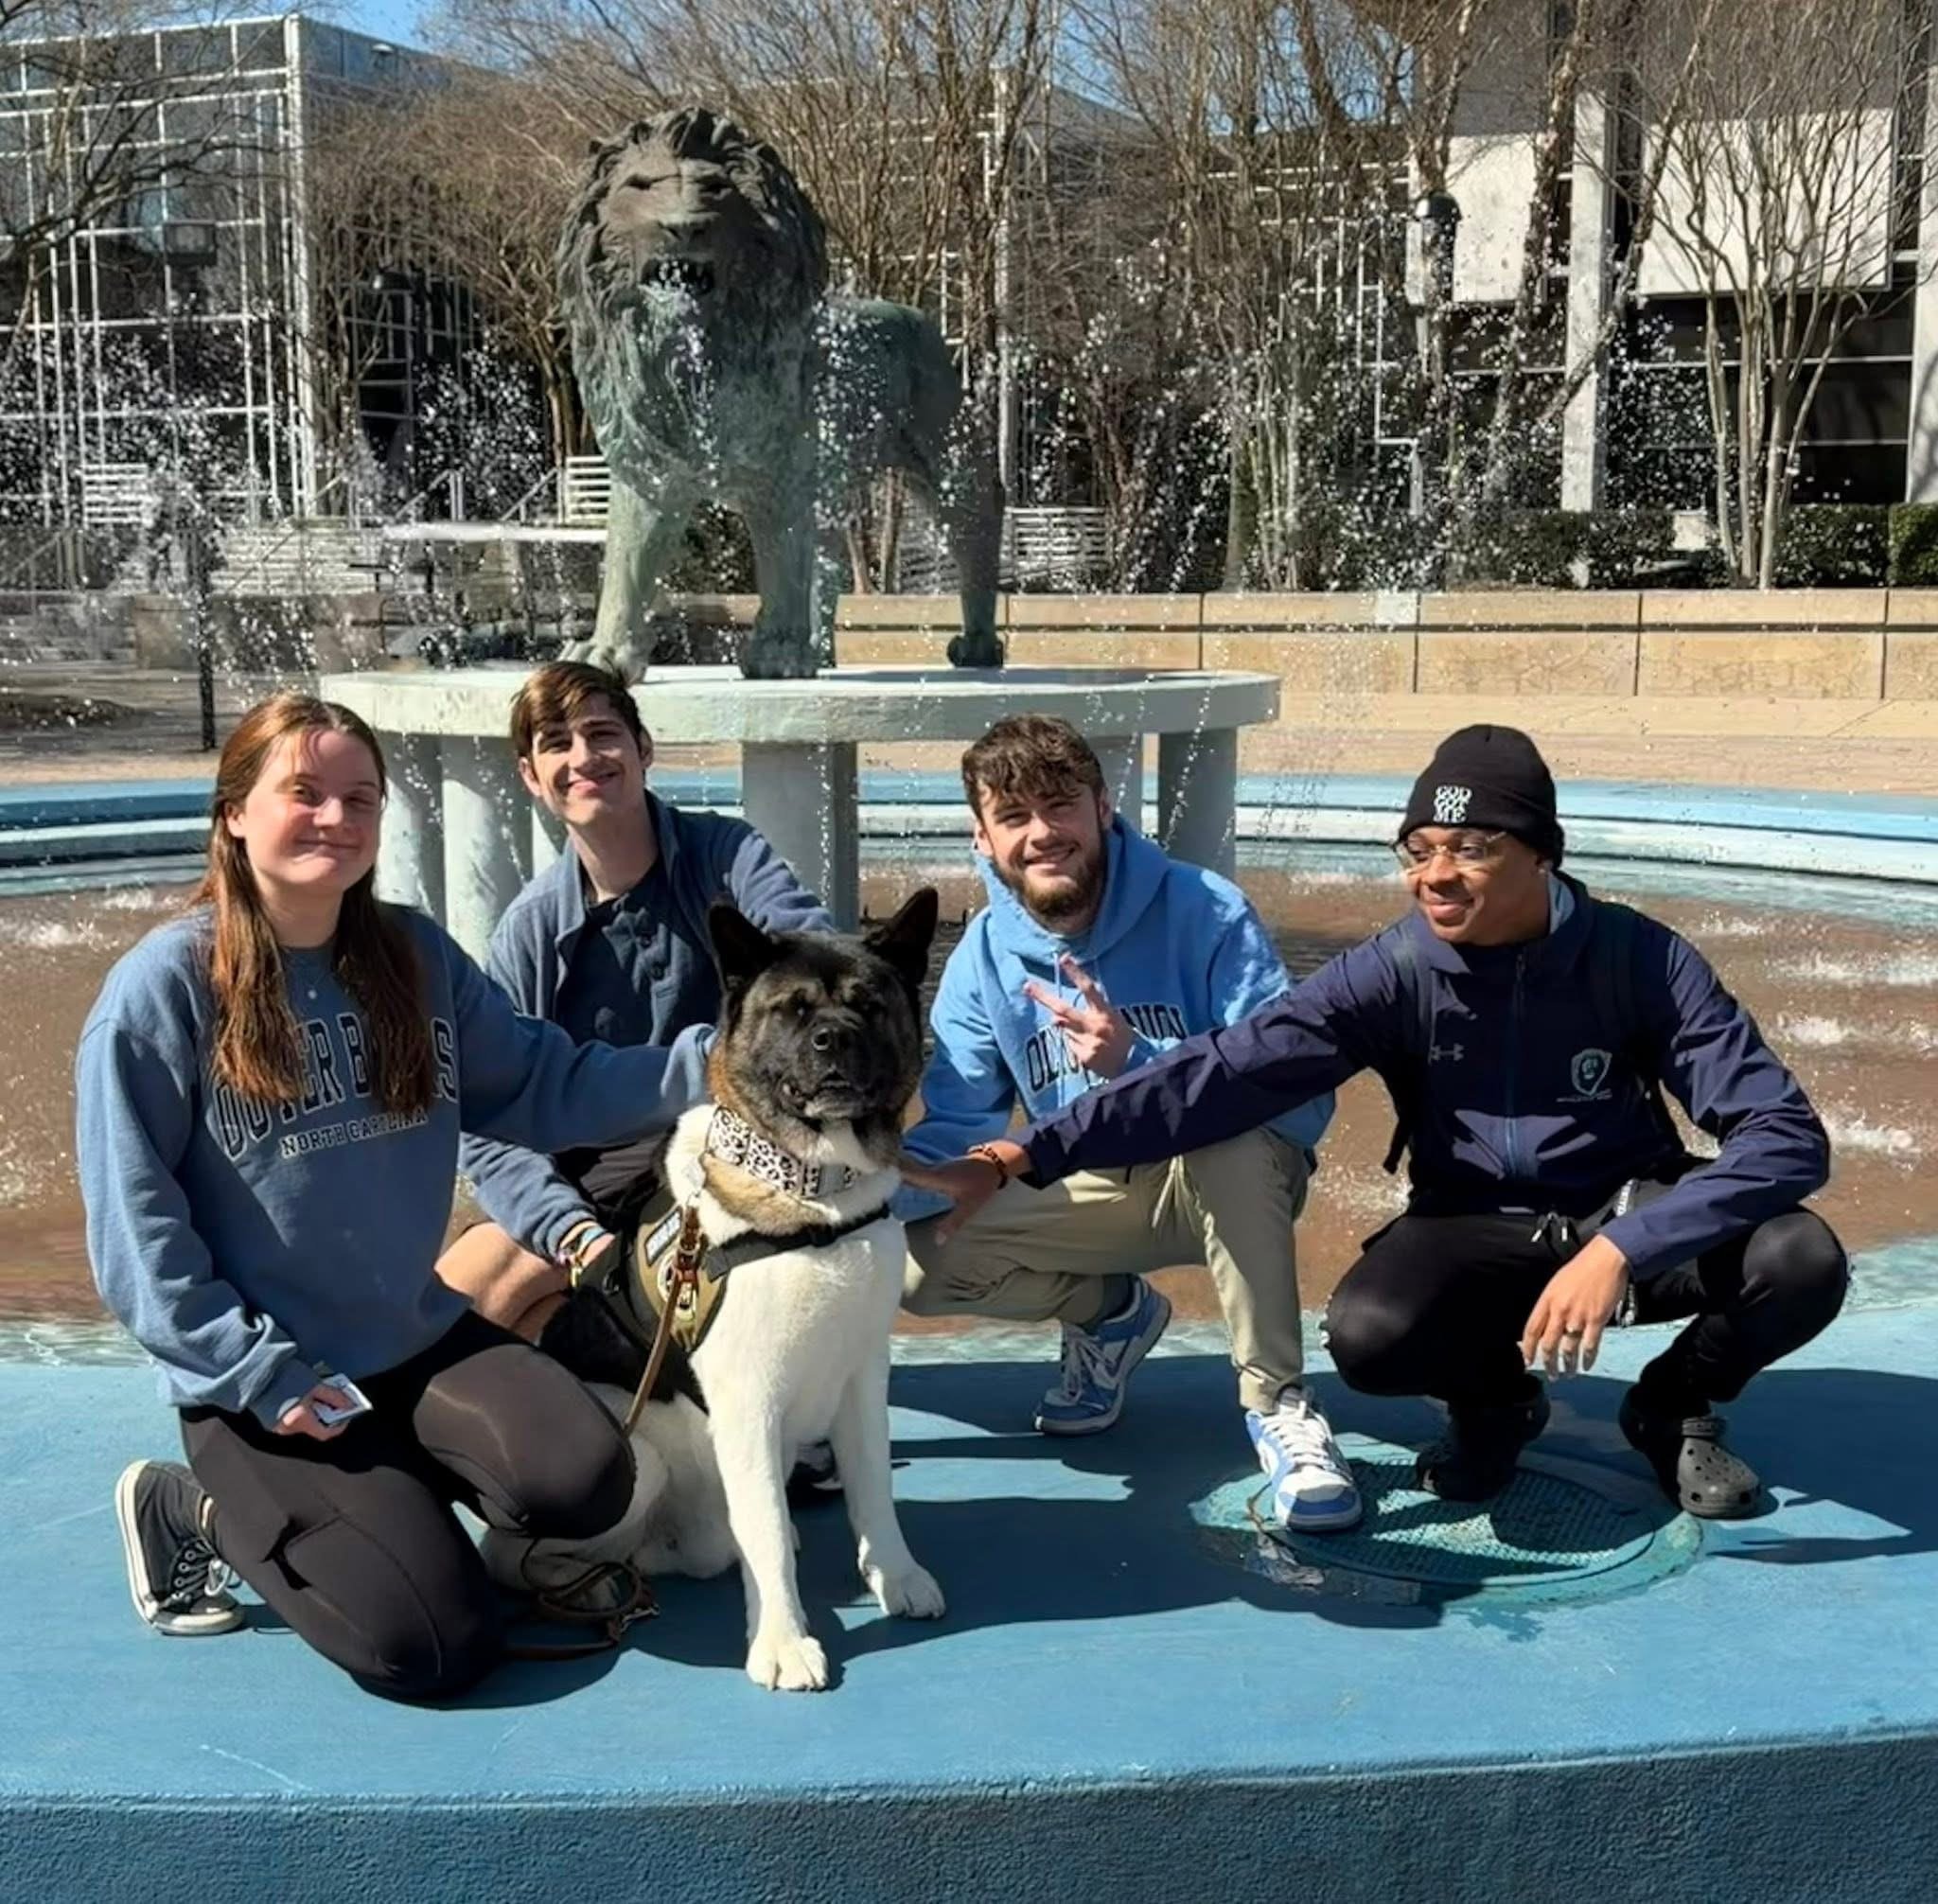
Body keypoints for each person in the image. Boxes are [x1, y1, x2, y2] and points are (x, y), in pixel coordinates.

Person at [909, 725, 1848, 1520]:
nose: (1433, 876)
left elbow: (1783, 1135)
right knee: (1367, 1333)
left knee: (1797, 1259)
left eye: (1469, 847)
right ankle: (1492, 1405)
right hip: (1473, 1218)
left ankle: (1673, 1401)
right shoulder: (1391, 968)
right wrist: (1022, 1150)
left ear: (1539, 853)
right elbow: (1231, 1071)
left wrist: (1624, 1246)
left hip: (1622, 1205)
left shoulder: (1636, 957)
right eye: (1418, 849)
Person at [83, 693, 720, 1698]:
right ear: (234, 810)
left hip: (412, 1337)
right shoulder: (162, 989)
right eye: (304, 792)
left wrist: (713, 1066)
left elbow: (543, 1082)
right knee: (431, 1645)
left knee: (591, 1478)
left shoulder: (412, 957)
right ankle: (191, 1507)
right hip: (263, 1380)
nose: (336, 818)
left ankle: (392, 1493)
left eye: (360, 798)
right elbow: (137, 1235)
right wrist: (260, 1373)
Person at [901, 714, 1357, 1531]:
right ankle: (1110, 1316)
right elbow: (956, 1128)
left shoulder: (1206, 909)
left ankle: (1280, 1403)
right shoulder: (981, 957)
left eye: (1060, 805)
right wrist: (863, 1191)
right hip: (1095, 1189)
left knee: (1229, 1130)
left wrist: (1140, 1062)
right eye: (1014, 816)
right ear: (982, 835)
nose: (1043, 833)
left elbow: (1299, 1091)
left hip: (1230, 1176)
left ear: (1104, 806)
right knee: (919, 1257)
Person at [434, 660, 830, 1343]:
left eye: (602, 733)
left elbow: (811, 960)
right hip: (596, 1181)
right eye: (556, 742)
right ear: (531, 776)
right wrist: (569, 1229)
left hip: (730, 1146)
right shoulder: (531, 931)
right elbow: (488, 1121)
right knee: (461, 1306)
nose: (583, 757)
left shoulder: (724, 857)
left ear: (643, 749)